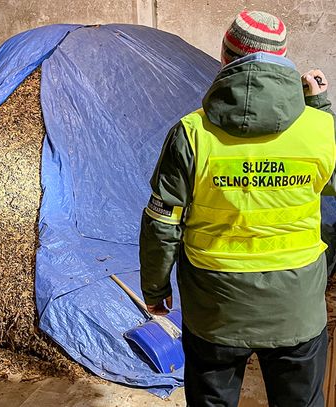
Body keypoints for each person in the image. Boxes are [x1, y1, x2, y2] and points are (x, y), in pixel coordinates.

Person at [139, 10, 336, 407]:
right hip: (296, 309)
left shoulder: (191, 134)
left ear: (225, 59)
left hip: (215, 310)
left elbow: (162, 224)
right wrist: (320, 107)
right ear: (284, 59)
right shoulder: (321, 129)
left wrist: (155, 289)